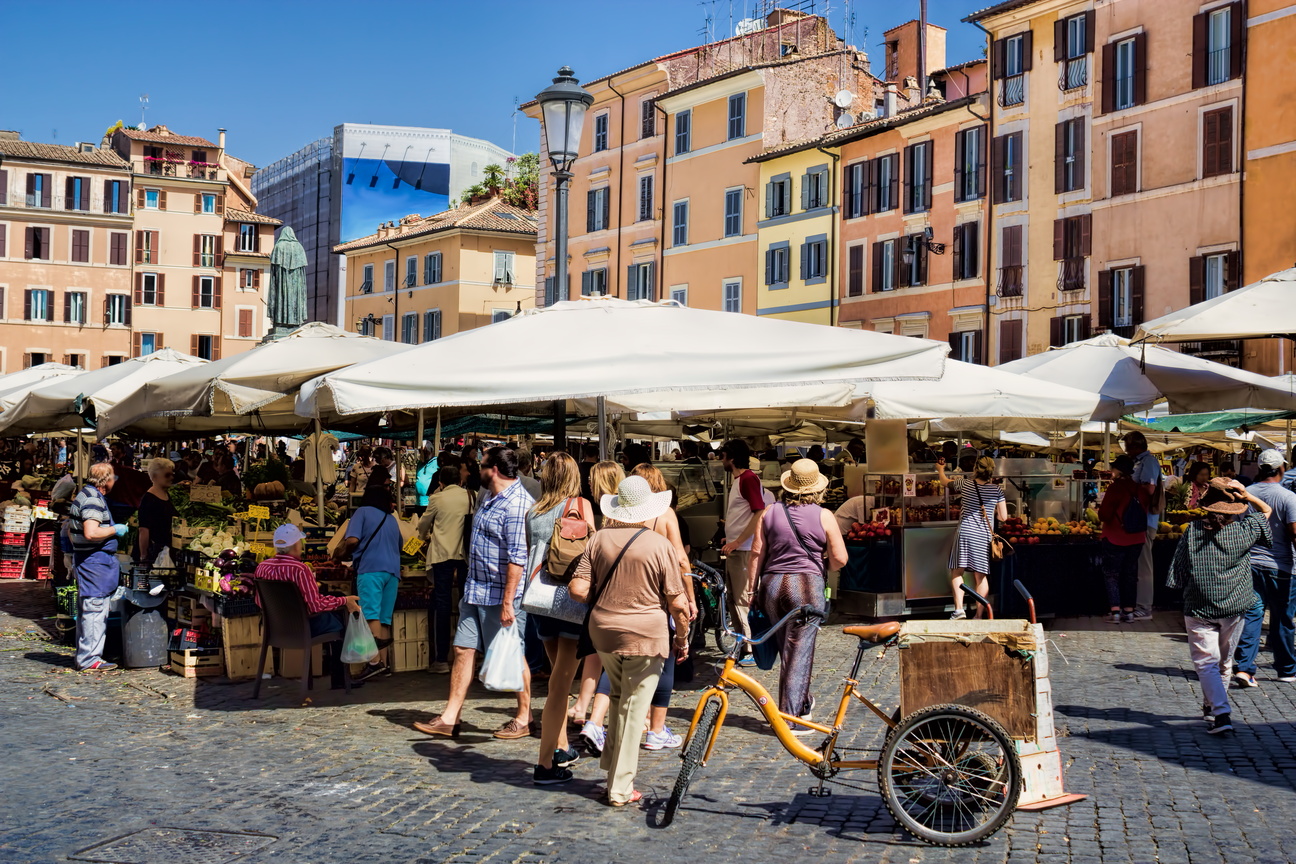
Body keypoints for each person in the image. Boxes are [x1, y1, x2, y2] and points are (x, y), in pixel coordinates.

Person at [568, 476, 691, 807]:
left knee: (621, 697)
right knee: (635, 707)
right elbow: (677, 602)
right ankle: (620, 787)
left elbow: (578, 588)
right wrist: (682, 636)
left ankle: (610, 769)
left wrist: (606, 599)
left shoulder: (599, 539)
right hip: (646, 635)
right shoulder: (658, 545)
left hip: (604, 632)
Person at [415, 447, 535, 739]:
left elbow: (517, 557)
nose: (476, 469)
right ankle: (450, 716)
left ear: (493, 469)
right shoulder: (487, 497)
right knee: (463, 649)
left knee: (512, 653)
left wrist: (508, 602)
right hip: (475, 589)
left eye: (481, 464)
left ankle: (524, 716)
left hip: (501, 594)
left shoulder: (518, 503)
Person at [747, 459, 847, 732]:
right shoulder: (824, 515)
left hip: (771, 586)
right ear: (817, 488)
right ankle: (791, 716)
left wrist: (751, 589)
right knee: (799, 651)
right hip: (804, 586)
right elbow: (840, 559)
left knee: (787, 648)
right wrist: (821, 563)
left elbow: (757, 554)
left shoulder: (769, 512)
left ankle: (800, 703)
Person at [1167, 478, 1271, 734]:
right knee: (1223, 662)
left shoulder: (1192, 532)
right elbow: (1267, 511)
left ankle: (1220, 713)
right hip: (1234, 607)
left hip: (1199, 606)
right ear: (1235, 506)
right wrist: (1248, 497)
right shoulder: (1244, 530)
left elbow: (1178, 573)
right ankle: (1213, 708)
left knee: (1206, 662)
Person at [524, 452, 597, 784]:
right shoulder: (579, 506)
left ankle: (562, 747)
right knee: (559, 686)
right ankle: (545, 765)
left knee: (557, 678)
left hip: (539, 602)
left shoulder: (532, 512)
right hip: (569, 601)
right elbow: (593, 551)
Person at [256, 524, 362, 686]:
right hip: (304, 627)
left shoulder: (262, 567)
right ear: (296, 545)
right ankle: (341, 679)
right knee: (341, 618)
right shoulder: (300, 569)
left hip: (276, 628)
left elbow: (259, 601)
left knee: (336, 599)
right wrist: (344, 601)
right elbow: (315, 606)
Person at [571, 460, 626, 743]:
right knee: (593, 652)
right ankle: (584, 706)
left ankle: (594, 717)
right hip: (602, 593)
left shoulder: (614, 514)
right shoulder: (606, 512)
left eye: (592, 480)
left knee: (606, 656)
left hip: (607, 594)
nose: (588, 485)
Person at [1234, 449, 1296, 687]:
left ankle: (1245, 668)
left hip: (1250, 563)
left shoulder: (1245, 494)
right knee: (1282, 619)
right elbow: (1294, 533)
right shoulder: (1288, 497)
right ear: (1281, 468)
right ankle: (1286, 669)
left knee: (1251, 615)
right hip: (1281, 566)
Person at [333, 486, 403, 681]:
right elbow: (400, 546)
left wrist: (344, 550)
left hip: (371, 570)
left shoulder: (362, 512)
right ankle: (384, 664)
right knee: (384, 618)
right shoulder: (391, 519)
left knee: (371, 615)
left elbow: (353, 539)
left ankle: (373, 663)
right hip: (392, 573)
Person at [70, 463, 129, 671]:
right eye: (114, 477)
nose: (115, 481)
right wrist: (115, 529)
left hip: (92, 562)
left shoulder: (85, 495)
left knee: (91, 610)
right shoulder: (93, 499)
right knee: (94, 611)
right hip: (94, 563)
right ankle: (89, 659)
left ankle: (87, 655)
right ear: (106, 481)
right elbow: (91, 532)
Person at [719, 439, 773, 664]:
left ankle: (750, 649)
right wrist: (730, 537)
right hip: (737, 547)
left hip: (743, 549)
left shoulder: (748, 479)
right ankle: (742, 644)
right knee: (732, 599)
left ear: (731, 457)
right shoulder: (740, 480)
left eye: (723, 456)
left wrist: (738, 539)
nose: (721, 460)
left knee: (741, 599)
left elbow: (759, 512)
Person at [418, 465, 473, 674]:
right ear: (459, 479)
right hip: (465, 556)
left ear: (441, 481)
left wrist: (421, 538)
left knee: (442, 605)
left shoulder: (437, 499)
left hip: (442, 555)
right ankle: (469, 656)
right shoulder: (471, 496)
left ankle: (441, 659)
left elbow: (423, 525)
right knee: (466, 605)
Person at [946, 456, 1006, 620]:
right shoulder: (996, 490)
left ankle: (959, 610)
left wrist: (939, 470)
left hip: (965, 532)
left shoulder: (965, 484)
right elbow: (1003, 517)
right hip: (984, 535)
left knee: (958, 572)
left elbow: (946, 482)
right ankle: (978, 616)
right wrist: (990, 511)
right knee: (981, 576)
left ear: (975, 469)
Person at [1097, 455, 1149, 623]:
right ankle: (1130, 612)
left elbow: (1104, 514)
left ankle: (1116, 612)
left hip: (1115, 537)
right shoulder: (1140, 489)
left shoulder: (1115, 488)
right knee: (1130, 574)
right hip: (1137, 538)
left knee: (1112, 574)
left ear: (1118, 471)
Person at [1123, 431, 1164, 620]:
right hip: (1137, 520)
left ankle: (1145, 607)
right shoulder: (1138, 462)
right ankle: (1138, 604)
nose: (1126, 450)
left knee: (1144, 565)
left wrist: (1128, 485)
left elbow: (1149, 488)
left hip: (1145, 520)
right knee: (1138, 564)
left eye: (1128, 446)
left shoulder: (1148, 462)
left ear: (1136, 446)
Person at [136, 457, 178, 564]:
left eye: (172, 474)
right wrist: (144, 557)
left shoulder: (166, 494)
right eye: (167, 475)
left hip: (164, 552)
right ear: (154, 477)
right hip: (154, 554)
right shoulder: (149, 499)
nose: (171, 477)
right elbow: (143, 530)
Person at [105, 441, 149, 522]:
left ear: (120, 450)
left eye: (114, 449)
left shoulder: (127, 460)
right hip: (116, 495)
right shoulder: (113, 462)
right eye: (111, 450)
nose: (112, 451)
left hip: (125, 496)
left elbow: (128, 476)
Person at [413, 448, 439, 513]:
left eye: (426, 452)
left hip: (430, 501)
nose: (425, 454)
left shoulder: (437, 462)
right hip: (419, 501)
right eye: (422, 452)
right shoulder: (420, 463)